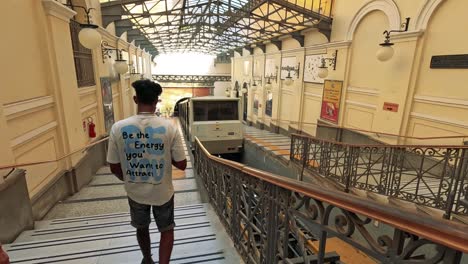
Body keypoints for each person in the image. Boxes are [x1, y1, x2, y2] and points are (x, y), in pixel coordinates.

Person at [107, 79, 187, 264]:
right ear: (156, 101)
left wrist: (129, 179)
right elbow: (182, 164)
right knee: (167, 229)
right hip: (163, 192)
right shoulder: (169, 127)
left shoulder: (118, 128)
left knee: (141, 227)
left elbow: (113, 166)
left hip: (135, 191)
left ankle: (147, 259)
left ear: (136, 99)